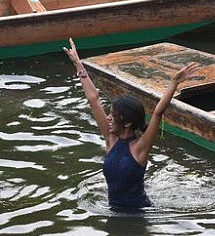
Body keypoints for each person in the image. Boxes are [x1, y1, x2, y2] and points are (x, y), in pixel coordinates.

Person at [63, 38, 200, 208]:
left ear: (127, 123)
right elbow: (94, 99)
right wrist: (79, 65)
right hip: (114, 212)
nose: (108, 118)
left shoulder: (140, 147)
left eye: (113, 115)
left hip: (139, 215)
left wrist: (174, 83)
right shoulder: (110, 139)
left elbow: (157, 113)